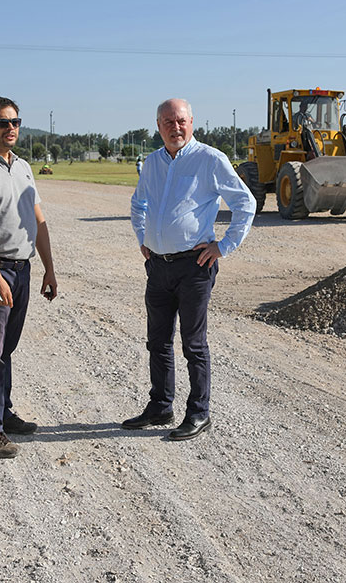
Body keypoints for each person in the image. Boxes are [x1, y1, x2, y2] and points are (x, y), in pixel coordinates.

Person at [126, 98, 255, 441]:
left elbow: (245, 203)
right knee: (158, 342)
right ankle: (160, 406)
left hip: (194, 266)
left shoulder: (210, 159)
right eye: (168, 122)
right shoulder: (152, 163)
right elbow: (138, 203)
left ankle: (199, 413)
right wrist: (144, 237)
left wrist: (223, 246)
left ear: (192, 122)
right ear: (158, 126)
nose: (175, 127)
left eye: (180, 120)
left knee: (193, 344)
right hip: (158, 265)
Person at [0, 96, 58, 458]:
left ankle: (2, 414)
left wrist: (49, 267)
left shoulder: (22, 166)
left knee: (8, 348)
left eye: (16, 122)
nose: (11, 128)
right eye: (3, 123)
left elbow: (37, 219)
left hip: (24, 268)